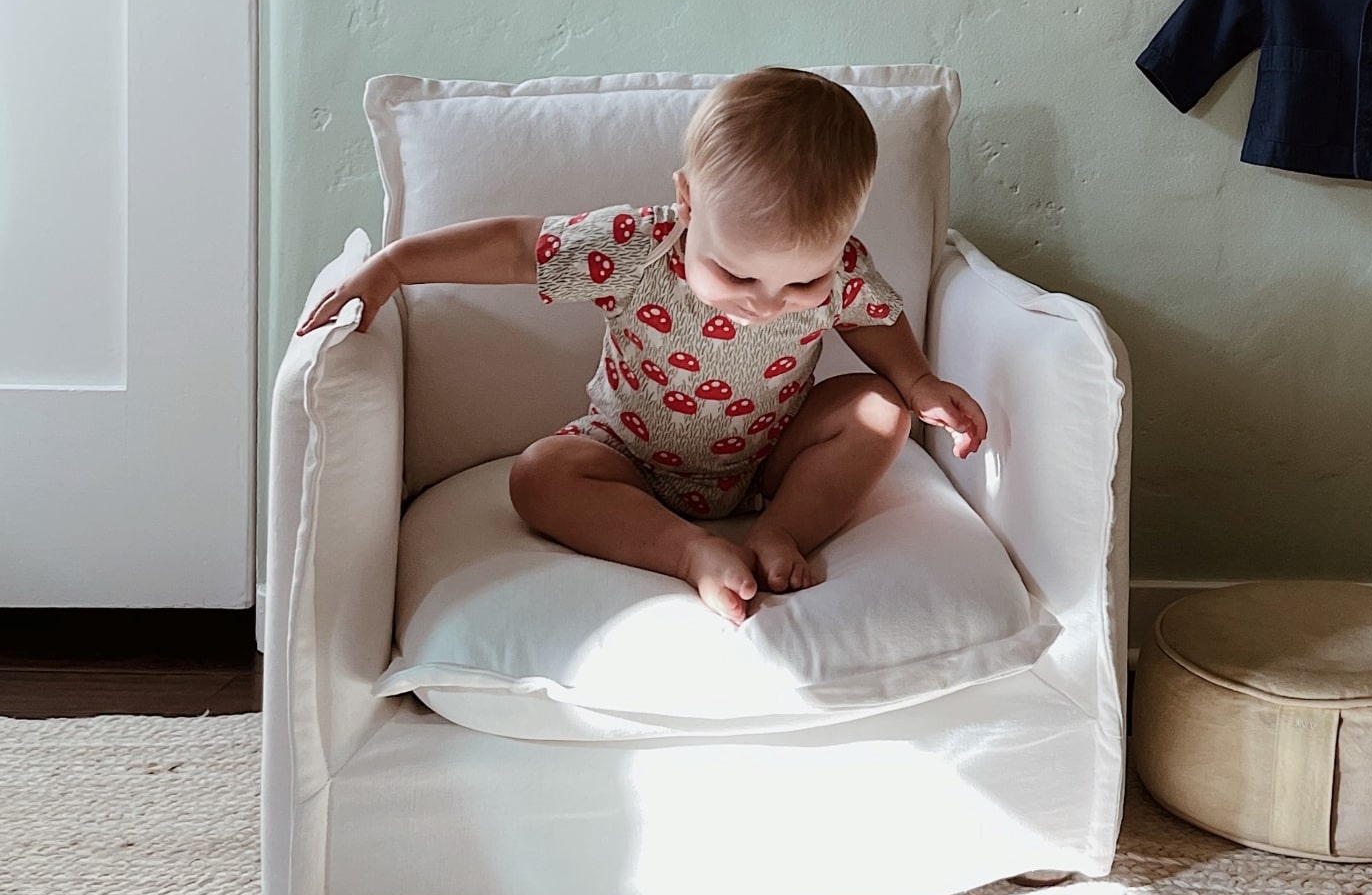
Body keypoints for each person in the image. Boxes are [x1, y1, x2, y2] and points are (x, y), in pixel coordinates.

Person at [298, 68, 987, 626]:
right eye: (736, 273)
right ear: (687, 202)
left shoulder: (841, 266)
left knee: (878, 406)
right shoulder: (636, 248)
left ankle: (781, 532)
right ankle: (690, 552)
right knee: (540, 473)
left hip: (766, 458)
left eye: (802, 280)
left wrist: (918, 380)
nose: (766, 301)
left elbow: (872, 316)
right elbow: (515, 246)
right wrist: (394, 265)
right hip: (625, 455)